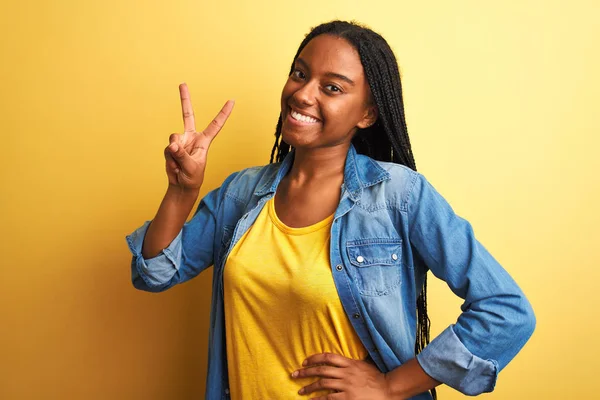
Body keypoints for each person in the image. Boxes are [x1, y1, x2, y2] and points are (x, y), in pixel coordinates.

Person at [126, 20, 536, 400]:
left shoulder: (397, 196)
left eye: (333, 87)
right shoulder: (242, 193)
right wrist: (182, 192)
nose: (303, 94)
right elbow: (155, 273)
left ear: (367, 114)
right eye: (300, 74)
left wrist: (392, 385)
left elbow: (506, 310)